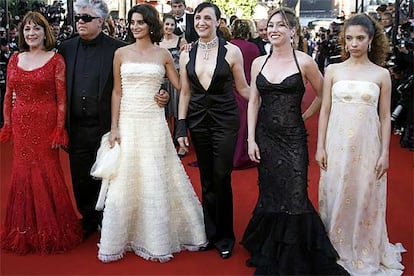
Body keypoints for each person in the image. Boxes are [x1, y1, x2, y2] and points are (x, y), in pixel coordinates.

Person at [241, 8, 349, 275]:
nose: (274, 29)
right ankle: (271, 242)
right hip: (266, 138)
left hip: (293, 140)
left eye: (281, 25)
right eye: (271, 25)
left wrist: (306, 114)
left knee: (295, 194)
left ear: (293, 31)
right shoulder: (259, 63)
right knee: (271, 192)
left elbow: (324, 95)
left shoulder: (305, 62)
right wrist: (250, 139)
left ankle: (294, 251)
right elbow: (253, 102)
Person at [98, 4, 207, 263]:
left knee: (155, 174)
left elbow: (180, 85)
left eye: (140, 22)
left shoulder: (163, 54)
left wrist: (168, 92)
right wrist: (114, 127)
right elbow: (116, 91)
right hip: (128, 120)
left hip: (153, 121)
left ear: (150, 24)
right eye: (132, 22)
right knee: (126, 177)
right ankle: (125, 234)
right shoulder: (120, 53)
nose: (135, 27)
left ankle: (156, 236)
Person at [58, 0, 170, 240]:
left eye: (86, 18)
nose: (80, 21)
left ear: (100, 21)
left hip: (106, 124)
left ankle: (107, 220)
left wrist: (162, 93)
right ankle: (88, 219)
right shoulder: (65, 48)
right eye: (78, 17)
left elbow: (142, 76)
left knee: (109, 174)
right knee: (79, 175)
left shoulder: (118, 49)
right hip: (76, 124)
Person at [316, 14, 406, 275]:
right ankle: (334, 248)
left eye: (360, 38)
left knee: (364, 194)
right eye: (349, 38)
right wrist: (320, 146)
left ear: (370, 40)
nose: (354, 43)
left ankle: (364, 248)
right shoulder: (333, 70)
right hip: (337, 142)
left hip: (368, 144)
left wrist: (385, 152)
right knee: (335, 192)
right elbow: (325, 111)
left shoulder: (381, 74)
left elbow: (385, 117)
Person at [0, 11, 82, 254]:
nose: (31, 33)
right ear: (22, 34)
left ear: (44, 32)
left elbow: (61, 99)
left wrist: (59, 129)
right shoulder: (15, 58)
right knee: (22, 171)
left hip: (45, 122)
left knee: (47, 170)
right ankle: (24, 228)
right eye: (27, 29)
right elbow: (7, 96)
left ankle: (53, 227)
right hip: (21, 122)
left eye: (36, 29)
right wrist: (7, 125)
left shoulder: (56, 60)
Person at [176, 2, 250, 259]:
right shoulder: (186, 53)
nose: (202, 22)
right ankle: (210, 234)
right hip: (198, 120)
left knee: (221, 176)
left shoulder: (232, 52)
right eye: (198, 18)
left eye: (208, 18)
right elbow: (185, 92)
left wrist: (270, 98)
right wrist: (181, 126)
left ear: (218, 22)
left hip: (225, 120)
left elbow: (243, 88)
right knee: (206, 178)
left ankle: (226, 236)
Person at [230, 19, 259, 169]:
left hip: (231, 88)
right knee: (246, 123)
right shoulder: (253, 48)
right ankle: (243, 154)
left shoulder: (228, 46)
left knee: (232, 124)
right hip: (248, 88)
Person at [159, 14, 187, 157]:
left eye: (172, 25)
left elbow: (186, 59)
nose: (169, 27)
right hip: (162, 80)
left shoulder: (181, 41)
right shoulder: (158, 42)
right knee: (165, 113)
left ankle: (181, 143)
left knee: (177, 112)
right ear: (162, 25)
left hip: (177, 78)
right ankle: (169, 142)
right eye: (167, 24)